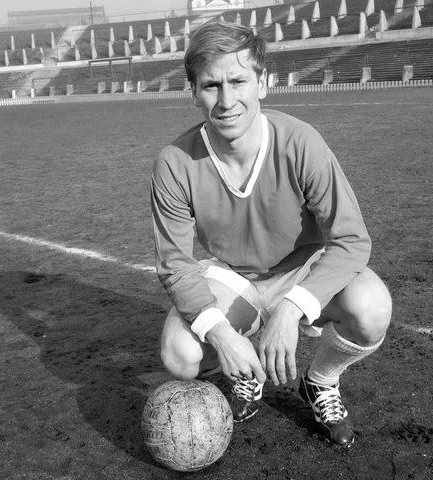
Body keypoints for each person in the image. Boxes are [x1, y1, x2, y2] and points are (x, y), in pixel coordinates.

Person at [150, 21, 392, 449]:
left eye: (238, 81)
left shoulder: (300, 143)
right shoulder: (175, 162)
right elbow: (175, 264)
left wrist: (291, 310)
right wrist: (223, 336)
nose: (226, 101)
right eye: (211, 85)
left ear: (263, 82)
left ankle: (320, 382)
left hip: (302, 269)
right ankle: (245, 373)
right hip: (234, 279)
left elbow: (352, 239)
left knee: (371, 308)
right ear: (193, 92)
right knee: (179, 355)